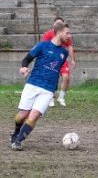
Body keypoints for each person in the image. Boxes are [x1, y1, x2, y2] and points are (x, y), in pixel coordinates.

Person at [10, 22, 72, 150]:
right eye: (67, 33)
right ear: (59, 32)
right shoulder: (42, 46)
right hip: (33, 84)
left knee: (34, 115)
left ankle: (18, 141)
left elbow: (57, 72)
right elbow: (27, 59)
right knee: (23, 114)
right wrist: (24, 67)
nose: (69, 36)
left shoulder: (64, 53)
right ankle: (16, 132)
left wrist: (54, 89)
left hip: (48, 90)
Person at [42, 17, 77, 107]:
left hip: (62, 59)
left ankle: (61, 97)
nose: (59, 25)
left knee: (66, 78)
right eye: (57, 23)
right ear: (54, 24)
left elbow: (70, 47)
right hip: (52, 60)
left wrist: (73, 59)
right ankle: (51, 98)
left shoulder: (66, 35)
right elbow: (44, 47)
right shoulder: (48, 34)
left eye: (61, 23)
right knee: (52, 78)